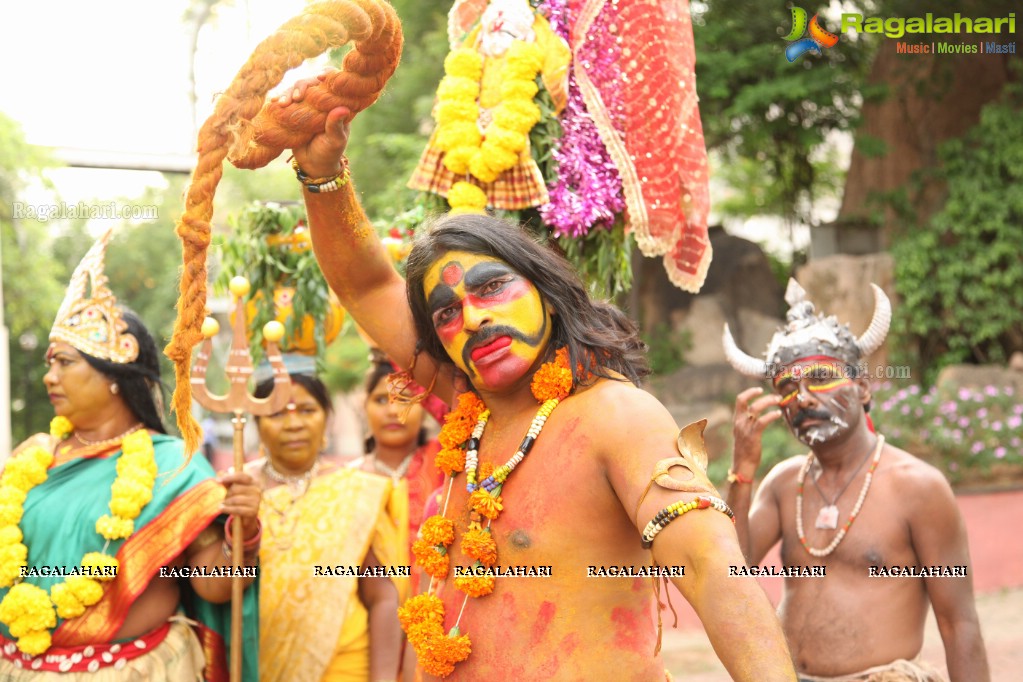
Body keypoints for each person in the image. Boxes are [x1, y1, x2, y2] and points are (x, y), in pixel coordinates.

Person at [278, 88, 796, 680]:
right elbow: (368, 285)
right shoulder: (465, 410)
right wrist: (321, 174)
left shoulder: (617, 417)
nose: (471, 317)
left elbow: (711, 568)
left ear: (547, 294)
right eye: (446, 312)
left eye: (492, 287)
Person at [0, 229, 260, 680]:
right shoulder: (33, 459)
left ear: (112, 374)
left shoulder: (172, 467)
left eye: (65, 362)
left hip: (134, 671)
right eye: (48, 364)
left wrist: (246, 533)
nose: (49, 377)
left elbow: (214, 587)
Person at [722, 279, 990, 682]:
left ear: (863, 387)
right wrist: (742, 473)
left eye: (821, 379)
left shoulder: (917, 487)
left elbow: (959, 624)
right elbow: (733, 578)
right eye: (787, 388)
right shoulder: (783, 483)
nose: (805, 398)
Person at [249, 371, 403, 682]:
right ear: (256, 424)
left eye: (307, 410)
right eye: (277, 413)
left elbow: (383, 596)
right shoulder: (236, 492)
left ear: (327, 420)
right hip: (258, 665)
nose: (294, 424)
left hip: (343, 665)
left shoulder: (356, 491)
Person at [351, 360, 444, 558]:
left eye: (405, 399)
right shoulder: (347, 481)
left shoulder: (448, 463)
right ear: (364, 406)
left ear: (425, 407)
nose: (393, 411)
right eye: (381, 400)